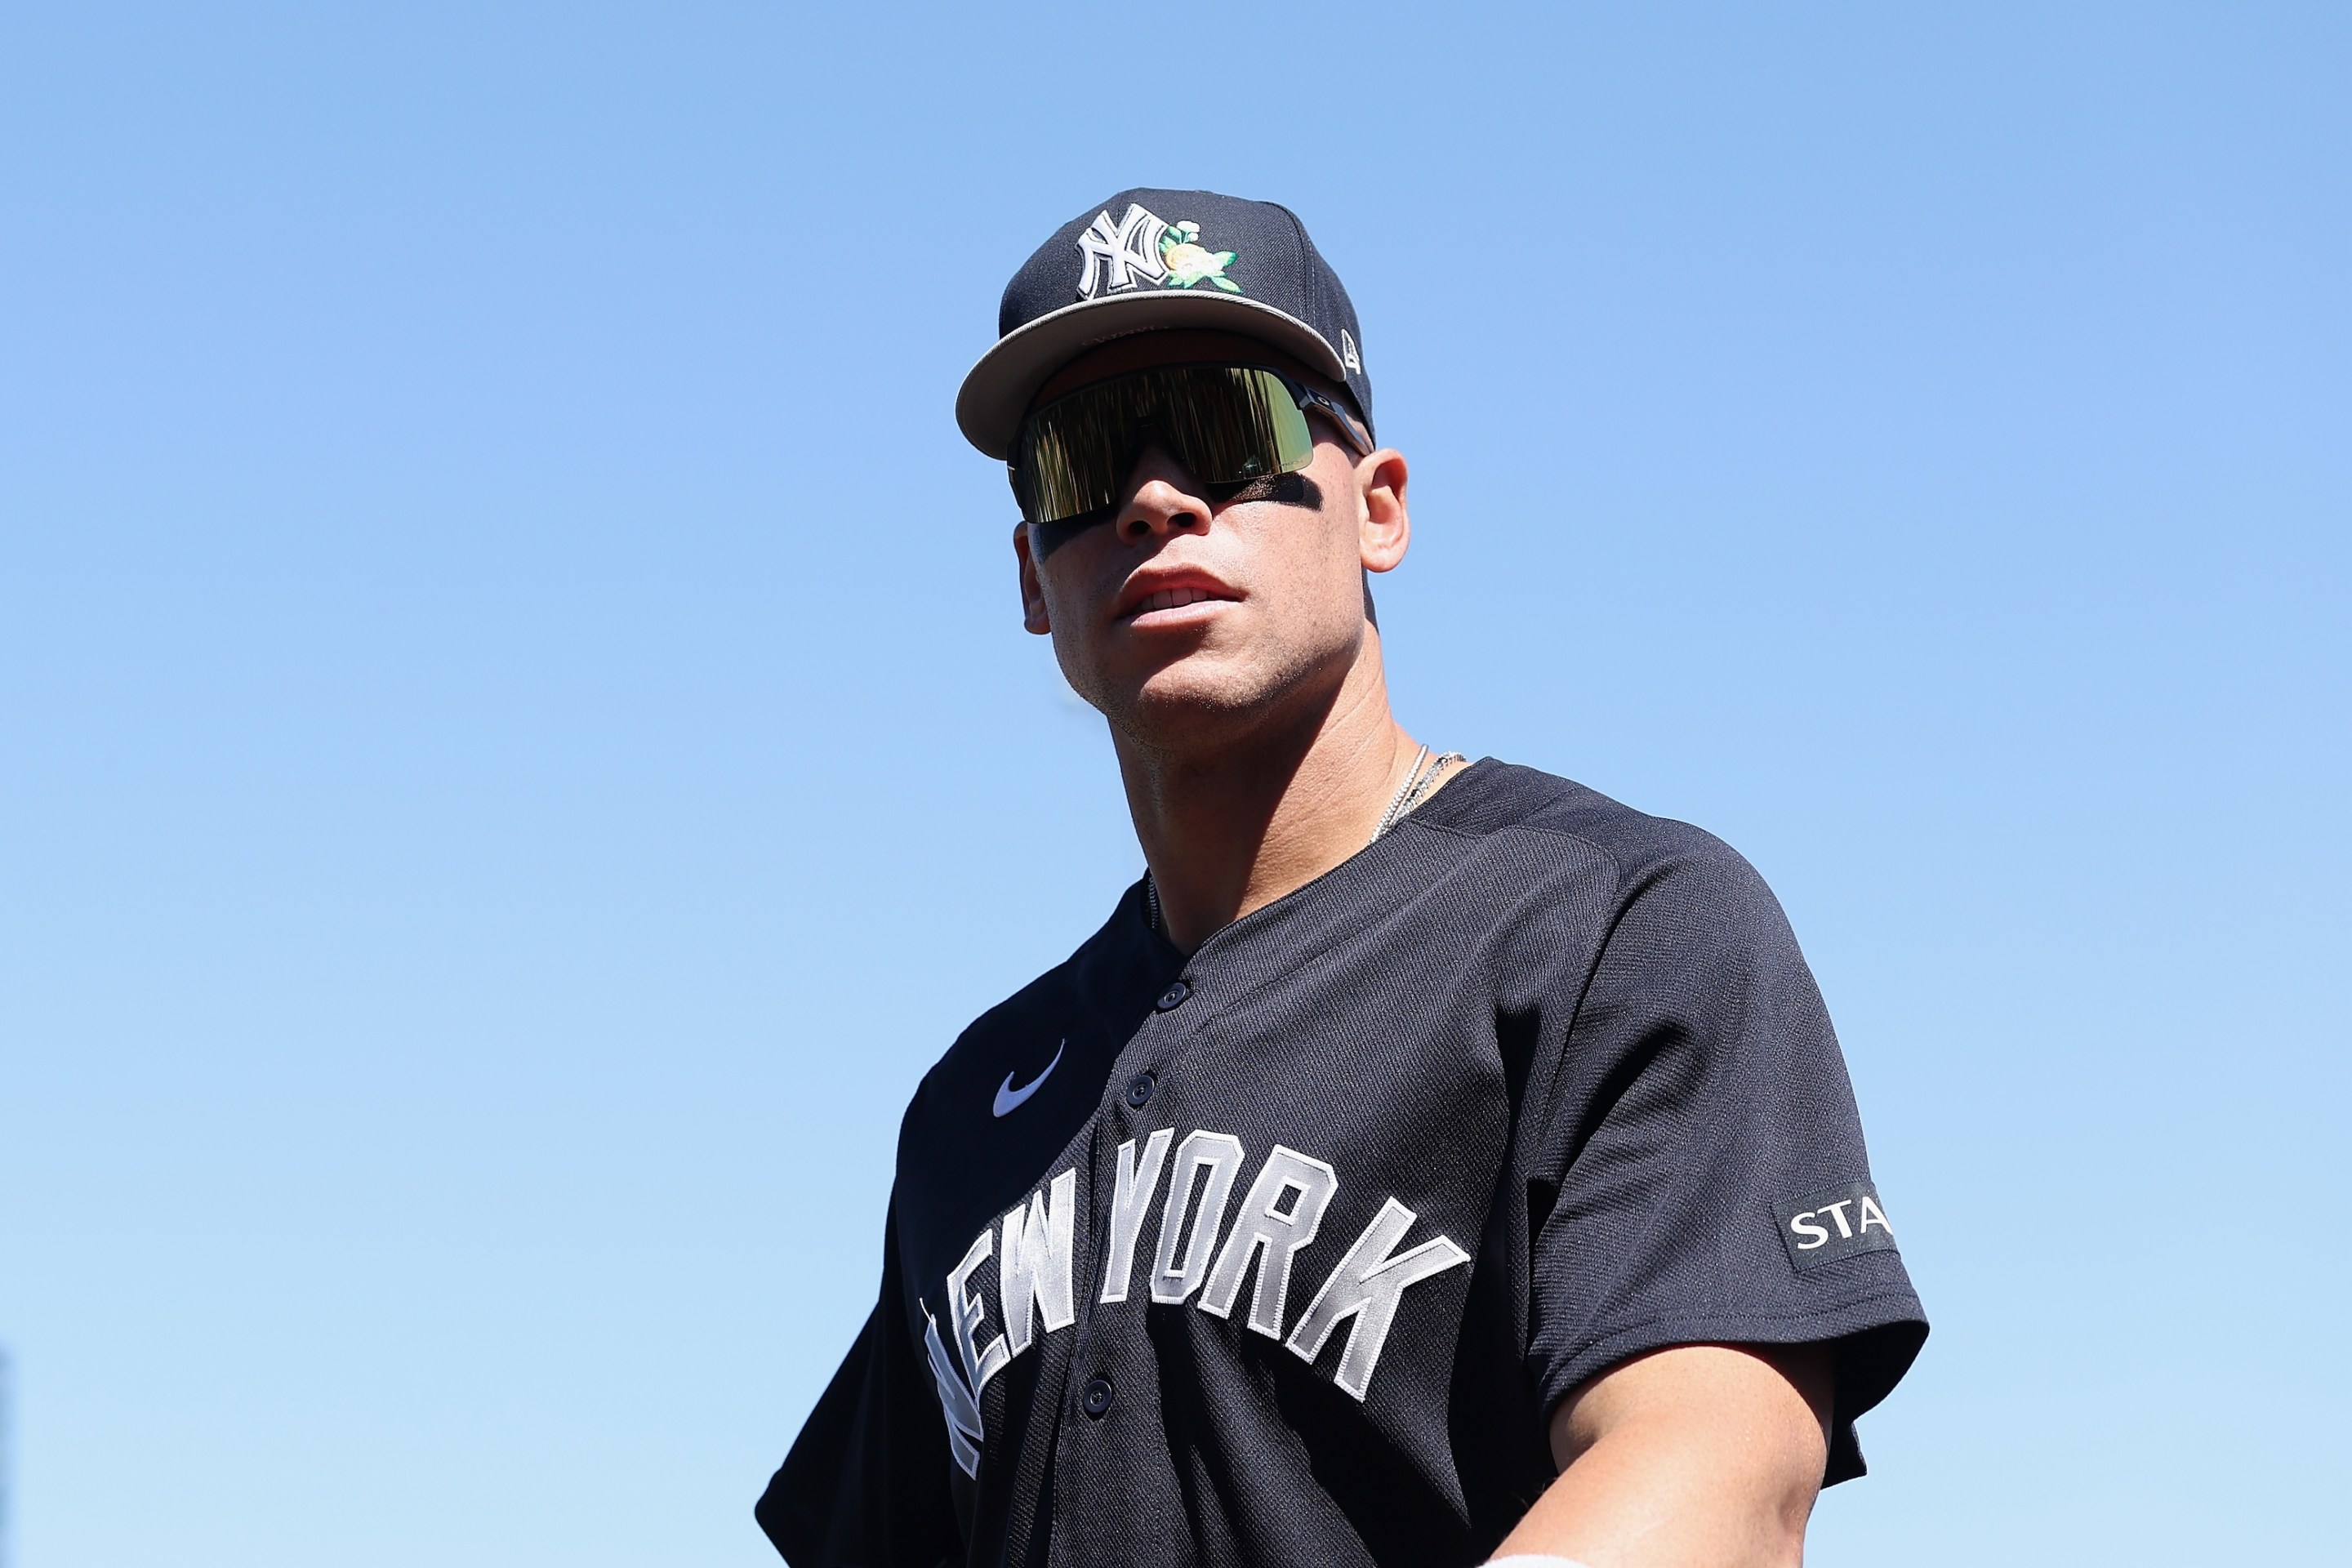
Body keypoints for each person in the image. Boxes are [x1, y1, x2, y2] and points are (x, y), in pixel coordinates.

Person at [755, 188, 1927, 1568]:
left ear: (1378, 508)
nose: (1150, 498)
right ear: (1032, 576)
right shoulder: (974, 1106)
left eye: (1223, 428)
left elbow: (1718, 1480)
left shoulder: (1612, 926)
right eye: (1079, 460)